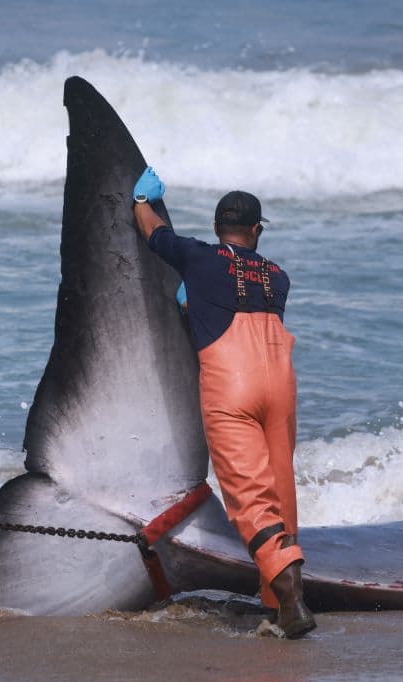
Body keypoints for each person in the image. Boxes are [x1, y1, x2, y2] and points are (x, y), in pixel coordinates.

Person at [132, 167, 316, 639]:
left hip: (231, 386)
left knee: (250, 498)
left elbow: (156, 234)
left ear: (218, 230)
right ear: (257, 230)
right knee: (280, 491)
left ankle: (292, 600)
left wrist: (140, 201)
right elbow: (244, 301)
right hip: (280, 383)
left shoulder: (199, 256)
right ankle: (276, 603)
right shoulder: (280, 276)